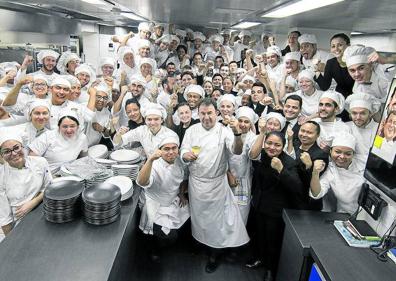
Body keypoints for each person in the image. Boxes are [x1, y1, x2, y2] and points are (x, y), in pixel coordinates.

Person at [180, 98, 249, 273]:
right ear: (198, 114)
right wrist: (185, 155)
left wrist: (238, 135)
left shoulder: (224, 131)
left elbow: (236, 150)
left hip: (217, 184)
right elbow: (183, 150)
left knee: (216, 222)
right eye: (202, 113)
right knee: (199, 219)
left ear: (216, 113)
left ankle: (214, 254)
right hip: (196, 183)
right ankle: (201, 244)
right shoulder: (191, 131)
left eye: (209, 113)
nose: (206, 117)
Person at [248, 130, 304, 281]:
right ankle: (260, 259)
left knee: (272, 241)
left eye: (277, 145)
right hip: (259, 205)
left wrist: (281, 170)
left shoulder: (289, 163)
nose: (272, 147)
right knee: (259, 236)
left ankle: (270, 270)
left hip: (275, 210)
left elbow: (297, 187)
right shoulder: (263, 157)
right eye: (269, 143)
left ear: (283, 146)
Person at [136, 135, 190, 261]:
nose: (171, 152)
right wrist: (149, 160)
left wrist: (181, 194)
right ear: (160, 151)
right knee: (167, 236)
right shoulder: (155, 165)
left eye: (174, 148)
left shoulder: (179, 163)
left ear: (178, 149)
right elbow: (142, 182)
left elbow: (183, 179)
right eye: (166, 149)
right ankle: (154, 247)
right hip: (156, 205)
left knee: (184, 227)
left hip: (172, 201)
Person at [0, 131, 52, 236]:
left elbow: (50, 187)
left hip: (45, 210)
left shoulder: (40, 162)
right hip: (21, 221)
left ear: (23, 146)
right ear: (1, 155)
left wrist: (33, 202)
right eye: (6, 151)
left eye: (16, 148)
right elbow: (5, 218)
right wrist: (11, 242)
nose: (14, 153)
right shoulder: (1, 176)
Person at [310, 133, 364, 214]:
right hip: (345, 215)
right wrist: (315, 173)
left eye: (348, 154)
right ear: (330, 151)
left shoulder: (364, 165)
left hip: (371, 217)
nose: (342, 156)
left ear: (353, 155)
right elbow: (316, 194)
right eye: (337, 152)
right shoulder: (330, 170)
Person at [228, 106, 258, 224]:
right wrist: (228, 174)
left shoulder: (253, 138)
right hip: (225, 178)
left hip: (243, 182)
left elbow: (254, 155)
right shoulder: (228, 134)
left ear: (251, 124)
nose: (243, 124)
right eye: (240, 121)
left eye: (246, 122)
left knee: (240, 214)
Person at [113, 102, 178, 157]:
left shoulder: (171, 135)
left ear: (162, 120)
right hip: (149, 166)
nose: (152, 123)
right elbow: (118, 142)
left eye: (156, 119)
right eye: (149, 119)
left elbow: (172, 157)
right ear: (145, 120)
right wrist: (119, 134)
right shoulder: (142, 130)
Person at [292, 121, 329, 210]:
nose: (304, 134)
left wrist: (309, 166)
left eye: (309, 132)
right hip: (290, 198)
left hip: (306, 203)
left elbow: (311, 183)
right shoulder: (295, 144)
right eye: (302, 131)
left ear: (317, 135)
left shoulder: (320, 155)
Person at [345, 92, 381, 169]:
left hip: (372, 169)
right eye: (354, 113)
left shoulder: (379, 130)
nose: (358, 117)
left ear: (370, 113)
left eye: (362, 113)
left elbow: (377, 152)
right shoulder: (345, 127)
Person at [314, 34, 354, 98]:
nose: (336, 49)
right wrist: (317, 70)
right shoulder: (331, 63)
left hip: (357, 96)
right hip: (341, 97)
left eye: (340, 45)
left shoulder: (355, 61)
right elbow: (325, 86)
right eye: (333, 46)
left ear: (348, 46)